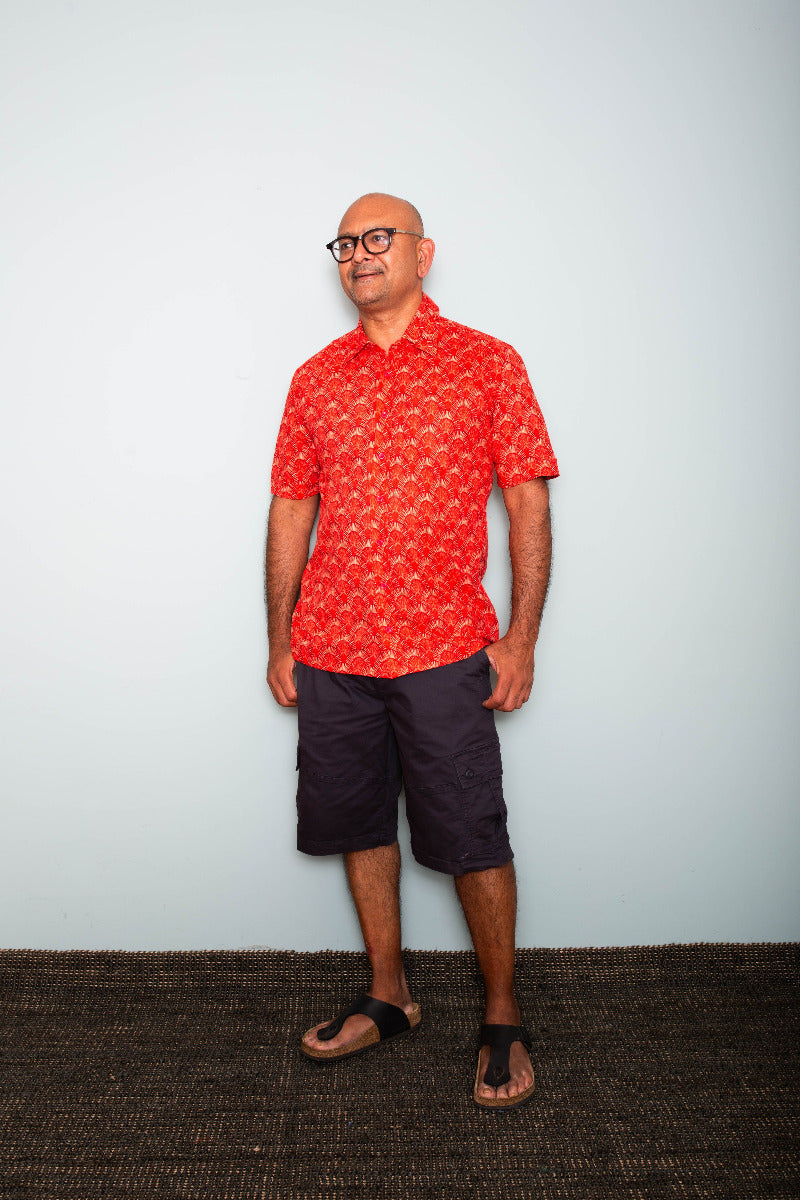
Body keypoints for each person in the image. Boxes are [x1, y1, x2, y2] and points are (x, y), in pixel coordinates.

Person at [266, 193, 558, 1110]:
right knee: (357, 825)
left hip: (443, 648)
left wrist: (521, 639)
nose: (359, 254)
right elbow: (291, 508)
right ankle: (390, 995)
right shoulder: (315, 378)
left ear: (422, 255)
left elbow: (528, 502)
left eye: (378, 237)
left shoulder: (488, 362)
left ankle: (502, 1013)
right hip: (333, 648)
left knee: (471, 835)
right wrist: (280, 638)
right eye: (345, 243)